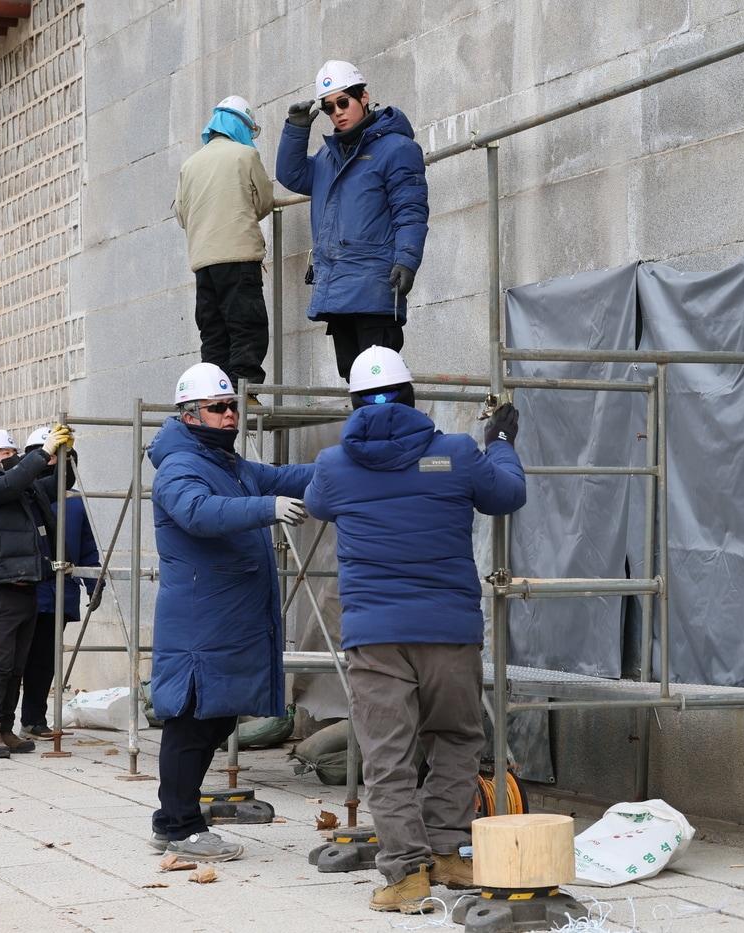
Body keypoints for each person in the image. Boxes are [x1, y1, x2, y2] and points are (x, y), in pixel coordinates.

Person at [304, 346, 525, 913]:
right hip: (448, 629)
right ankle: (448, 852)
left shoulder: (334, 464)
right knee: (455, 740)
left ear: (354, 402)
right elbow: (507, 494)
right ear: (411, 396)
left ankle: (406, 874)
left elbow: (317, 502)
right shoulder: (453, 453)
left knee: (387, 754)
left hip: (374, 635)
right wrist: (499, 443)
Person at [146, 362, 313, 862]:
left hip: (225, 619)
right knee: (193, 721)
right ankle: (176, 825)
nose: (230, 415)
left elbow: (285, 476)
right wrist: (267, 508)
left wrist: (352, 462)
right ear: (189, 413)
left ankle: (179, 818)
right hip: (200, 623)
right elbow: (198, 512)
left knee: (214, 720)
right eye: (219, 407)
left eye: (232, 406)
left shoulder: (228, 464)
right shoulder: (180, 466)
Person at [276, 61, 429, 381]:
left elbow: (410, 211)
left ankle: (398, 430)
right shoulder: (327, 158)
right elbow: (291, 175)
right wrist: (297, 127)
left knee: (382, 380)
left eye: (343, 102)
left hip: (375, 287)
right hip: (338, 290)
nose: (338, 113)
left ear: (364, 96)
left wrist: (407, 260)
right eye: (329, 108)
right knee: (354, 380)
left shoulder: (396, 149)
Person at [0, 424, 73, 758]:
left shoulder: (25, 491)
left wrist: (64, 455)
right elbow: (11, 482)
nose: (13, 458)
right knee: (0, 663)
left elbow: (58, 483)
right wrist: (40, 454)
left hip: (28, 584)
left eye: (15, 452)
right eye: (6, 453)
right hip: (0, 588)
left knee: (17, 664)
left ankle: (7, 729)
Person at [174, 95, 275, 396]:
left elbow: (181, 214)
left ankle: (213, 394)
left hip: (204, 263)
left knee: (213, 332)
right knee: (246, 326)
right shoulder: (245, 156)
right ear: (241, 125)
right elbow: (264, 201)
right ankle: (245, 394)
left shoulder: (190, 165)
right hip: (239, 256)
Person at [17, 426, 102, 741]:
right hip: (27, 592)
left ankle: (34, 719)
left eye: (61, 459)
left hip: (60, 594)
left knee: (45, 660)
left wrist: (94, 585)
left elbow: (89, 548)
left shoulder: (77, 503)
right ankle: (1, 722)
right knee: (19, 660)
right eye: (48, 458)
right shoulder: (19, 501)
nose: (54, 465)